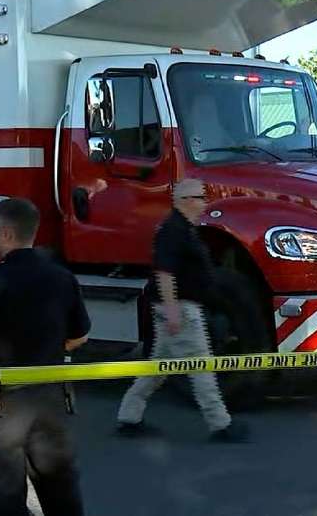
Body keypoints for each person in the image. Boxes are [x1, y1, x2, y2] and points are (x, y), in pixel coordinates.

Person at [0, 197, 91, 516]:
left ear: (7, 234)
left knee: (4, 499)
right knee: (62, 493)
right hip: (50, 402)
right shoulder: (63, 278)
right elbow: (79, 336)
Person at [116, 178, 247, 442]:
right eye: (200, 197)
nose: (204, 203)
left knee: (157, 369)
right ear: (185, 200)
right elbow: (165, 273)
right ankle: (220, 424)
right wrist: (173, 311)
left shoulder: (182, 228)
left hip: (178, 309)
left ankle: (129, 416)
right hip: (181, 310)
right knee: (201, 367)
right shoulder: (173, 230)